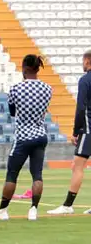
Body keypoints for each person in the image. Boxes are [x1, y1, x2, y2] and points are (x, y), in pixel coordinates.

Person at [0, 55, 53, 222]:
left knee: (12, 174)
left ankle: (3, 210)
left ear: (24, 68)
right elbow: (43, 110)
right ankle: (33, 209)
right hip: (40, 135)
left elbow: (13, 112)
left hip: (23, 136)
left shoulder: (16, 89)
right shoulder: (47, 88)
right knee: (37, 175)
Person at [48, 50, 91, 216]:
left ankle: (67, 205)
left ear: (87, 61)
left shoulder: (85, 80)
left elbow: (81, 107)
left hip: (88, 129)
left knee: (77, 166)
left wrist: (76, 131)